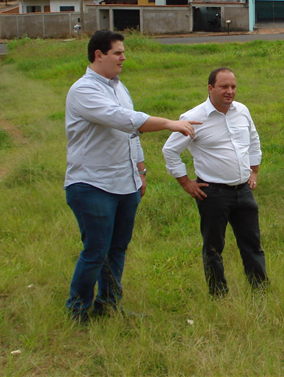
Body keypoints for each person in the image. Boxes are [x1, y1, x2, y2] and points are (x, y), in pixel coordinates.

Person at [64, 29, 200, 323]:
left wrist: (141, 171)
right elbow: (124, 119)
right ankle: (77, 311)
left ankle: (109, 305)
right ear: (99, 55)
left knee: (117, 249)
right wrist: (168, 123)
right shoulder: (84, 90)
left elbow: (130, 134)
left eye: (123, 52)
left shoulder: (118, 87)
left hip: (125, 182)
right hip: (92, 183)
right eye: (118, 53)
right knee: (96, 250)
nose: (124, 57)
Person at [162, 67, 267, 297]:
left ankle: (260, 290)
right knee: (213, 247)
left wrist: (254, 171)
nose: (230, 91)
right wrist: (185, 182)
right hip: (213, 193)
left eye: (233, 87)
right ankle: (218, 295)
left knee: (252, 244)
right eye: (224, 87)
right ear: (210, 88)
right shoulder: (193, 118)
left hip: (244, 190)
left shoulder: (242, 111)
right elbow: (170, 150)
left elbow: (254, 139)